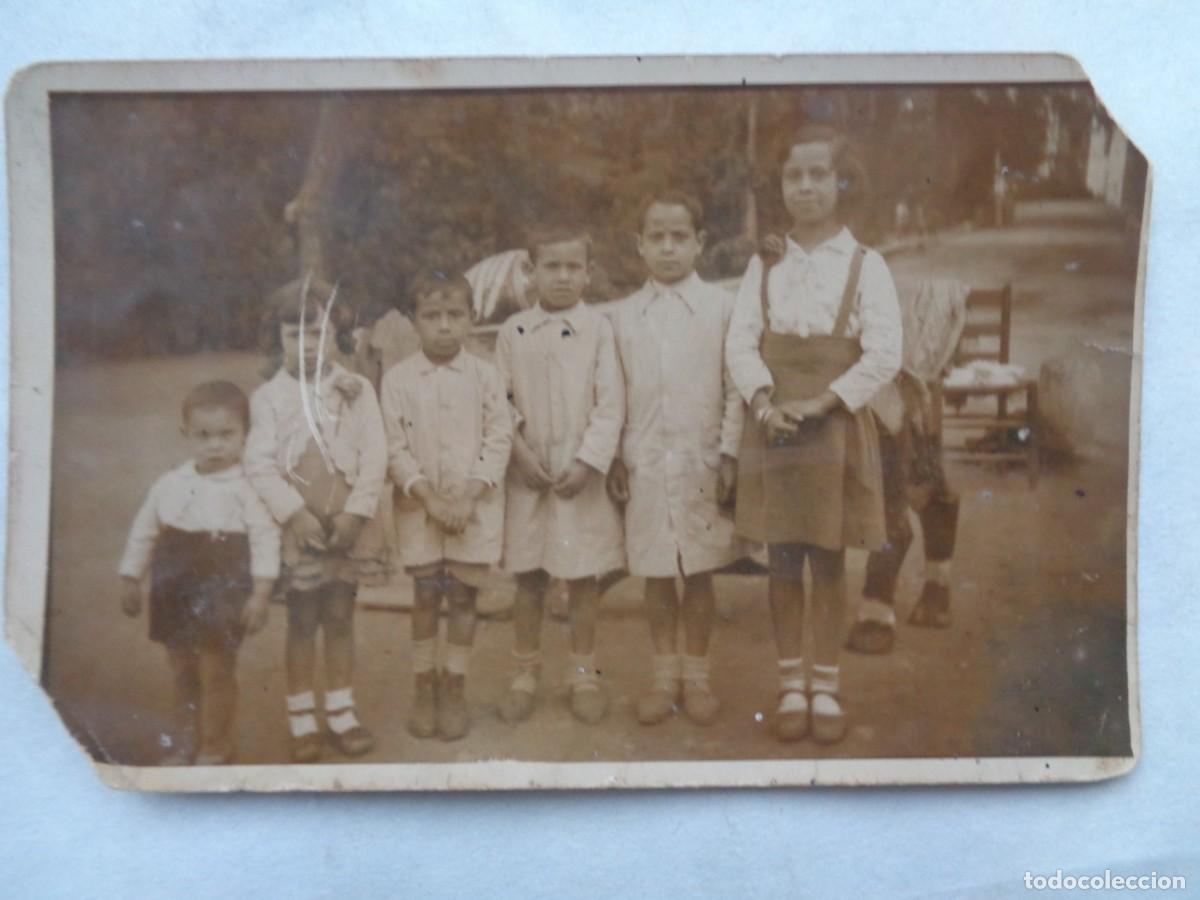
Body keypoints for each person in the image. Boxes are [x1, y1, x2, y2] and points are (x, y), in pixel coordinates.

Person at [726, 125, 902, 743]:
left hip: (829, 428)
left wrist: (827, 401)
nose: (805, 187)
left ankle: (825, 686)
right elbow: (741, 341)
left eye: (818, 175)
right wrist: (765, 400)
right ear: (781, 186)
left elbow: (884, 353)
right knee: (783, 559)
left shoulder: (866, 265)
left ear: (840, 182)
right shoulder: (766, 262)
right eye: (793, 177)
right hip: (775, 428)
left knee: (827, 557)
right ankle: (789, 684)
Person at [606, 189, 744, 726]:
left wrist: (729, 452)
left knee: (700, 569)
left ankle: (698, 677)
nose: (668, 248)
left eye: (679, 237)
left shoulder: (722, 309)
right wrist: (616, 455)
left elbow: (735, 388)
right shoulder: (621, 317)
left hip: (699, 461)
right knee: (658, 574)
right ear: (639, 245)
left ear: (699, 243)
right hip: (644, 462)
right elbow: (613, 390)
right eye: (656, 238)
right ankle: (664, 678)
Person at [244, 276, 388, 762]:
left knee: (341, 618)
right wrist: (294, 515)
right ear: (277, 339)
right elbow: (259, 464)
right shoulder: (267, 399)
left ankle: (343, 712)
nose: (307, 344)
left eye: (318, 333)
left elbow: (375, 456)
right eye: (293, 334)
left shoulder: (357, 388)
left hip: (346, 527)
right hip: (302, 532)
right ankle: (302, 717)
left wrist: (356, 513)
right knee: (302, 622)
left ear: (337, 336)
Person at [494, 224, 625, 725]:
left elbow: (610, 402)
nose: (564, 277)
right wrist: (520, 453)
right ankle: (524, 673)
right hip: (529, 473)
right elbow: (499, 400)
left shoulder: (599, 329)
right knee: (528, 577)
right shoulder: (513, 331)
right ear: (532, 272)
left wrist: (589, 461)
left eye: (574, 267)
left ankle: (583, 673)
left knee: (582, 579)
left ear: (589, 275)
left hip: (578, 475)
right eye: (553, 266)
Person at [381, 271, 512, 741]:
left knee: (462, 595)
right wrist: (430, 497)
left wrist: (470, 495)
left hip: (472, 509)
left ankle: (454, 685)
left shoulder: (486, 375)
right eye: (431, 315)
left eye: (454, 315)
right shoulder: (397, 379)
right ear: (414, 321)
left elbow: (499, 438)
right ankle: (424, 685)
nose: (443, 326)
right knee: (424, 594)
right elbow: (394, 446)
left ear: (472, 319)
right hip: (421, 507)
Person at [118, 380, 278, 765]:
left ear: (245, 434)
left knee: (216, 669)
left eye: (226, 434)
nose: (215, 445)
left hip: (224, 586)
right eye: (203, 435)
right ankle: (184, 741)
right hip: (174, 585)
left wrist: (260, 593)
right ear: (185, 433)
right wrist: (130, 577)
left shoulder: (250, 488)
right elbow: (145, 530)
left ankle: (215, 745)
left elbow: (265, 538)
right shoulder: (170, 483)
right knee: (183, 669)